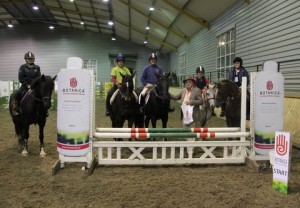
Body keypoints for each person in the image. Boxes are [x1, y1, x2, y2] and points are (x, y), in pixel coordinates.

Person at [170, 77, 204, 156]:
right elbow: (175, 97)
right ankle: (190, 149)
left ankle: (190, 151)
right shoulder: (183, 90)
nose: (187, 83)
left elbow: (201, 101)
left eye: (189, 82)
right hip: (185, 116)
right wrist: (166, 93)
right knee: (185, 133)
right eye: (186, 82)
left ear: (193, 83)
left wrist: (191, 102)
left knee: (192, 134)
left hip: (194, 116)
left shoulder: (197, 90)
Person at [11, 51, 41, 116]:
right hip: (25, 86)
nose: (30, 60)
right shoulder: (22, 67)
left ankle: (44, 111)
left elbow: (39, 77)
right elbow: (21, 78)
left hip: (35, 86)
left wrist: (35, 84)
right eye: (29, 59)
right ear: (26, 59)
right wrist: (27, 85)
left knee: (42, 94)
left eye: (32, 58)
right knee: (16, 94)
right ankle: (15, 109)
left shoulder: (37, 67)